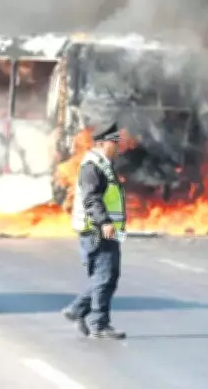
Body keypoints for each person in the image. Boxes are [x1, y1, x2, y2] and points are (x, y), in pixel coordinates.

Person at [61, 121, 127, 340]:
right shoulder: (93, 166)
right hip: (96, 231)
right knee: (104, 276)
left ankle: (78, 311)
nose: (119, 147)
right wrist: (105, 221)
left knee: (107, 276)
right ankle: (98, 323)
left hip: (103, 230)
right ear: (105, 143)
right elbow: (92, 198)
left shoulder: (103, 164)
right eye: (116, 143)